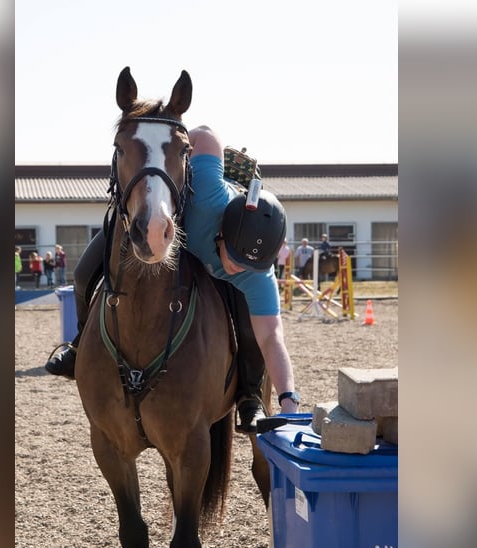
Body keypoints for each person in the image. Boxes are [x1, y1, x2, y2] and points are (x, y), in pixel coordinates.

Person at [45, 125, 300, 432]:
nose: (238, 269)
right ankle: (77, 345)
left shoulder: (256, 274)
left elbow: (272, 339)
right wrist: (171, 145)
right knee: (83, 274)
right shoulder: (207, 200)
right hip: (154, 211)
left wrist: (289, 402)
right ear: (220, 234)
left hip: (198, 250)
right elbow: (205, 134)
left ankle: (249, 394)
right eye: (233, 260)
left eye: (248, 267)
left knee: (250, 324)